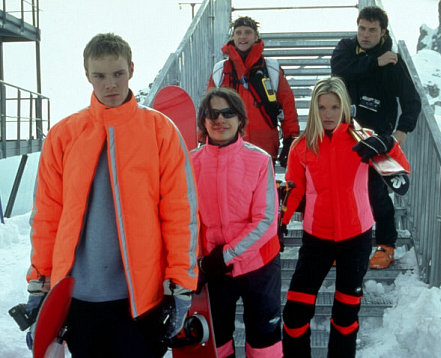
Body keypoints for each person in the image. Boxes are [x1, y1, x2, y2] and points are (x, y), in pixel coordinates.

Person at [24, 33, 199, 357]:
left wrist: (181, 284)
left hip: (141, 300)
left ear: (131, 69)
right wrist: (40, 283)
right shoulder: (64, 135)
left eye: (118, 73)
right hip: (78, 299)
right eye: (100, 76)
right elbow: (47, 215)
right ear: (86, 74)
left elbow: (180, 213)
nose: (110, 84)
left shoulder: (160, 132)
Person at [280, 77, 397, 357]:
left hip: (355, 239)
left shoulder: (363, 139)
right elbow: (293, 191)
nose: (328, 114)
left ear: (344, 106)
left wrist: (389, 144)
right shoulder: (302, 146)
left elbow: (399, 168)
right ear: (314, 110)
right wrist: (278, 225)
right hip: (316, 239)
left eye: (334, 107)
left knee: (345, 319)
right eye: (321, 107)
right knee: (294, 316)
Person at [191, 87, 282, 357]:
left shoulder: (259, 160)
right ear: (203, 121)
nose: (220, 120)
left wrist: (226, 255)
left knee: (264, 343)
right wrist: (196, 262)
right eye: (212, 113)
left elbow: (265, 221)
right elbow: (184, 218)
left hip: (259, 267)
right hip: (213, 270)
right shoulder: (190, 162)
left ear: (240, 120)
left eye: (228, 113)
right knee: (218, 343)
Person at [331, 6, 421, 269]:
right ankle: (345, 244)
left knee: (376, 192)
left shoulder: (391, 60)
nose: (366, 34)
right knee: (344, 191)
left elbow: (411, 99)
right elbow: (339, 68)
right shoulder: (346, 49)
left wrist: (403, 129)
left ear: (383, 32)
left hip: (377, 138)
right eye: (362, 28)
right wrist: (374, 62)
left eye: (372, 30)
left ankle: (386, 246)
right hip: (344, 133)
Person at [207, 16, 300, 167]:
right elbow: (208, 108)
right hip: (228, 145)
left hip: (264, 147)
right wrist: (203, 138)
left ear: (256, 36)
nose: (243, 36)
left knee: (264, 191)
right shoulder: (221, 70)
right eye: (238, 32)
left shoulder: (271, 69)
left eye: (248, 32)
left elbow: (287, 105)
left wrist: (291, 140)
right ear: (233, 37)